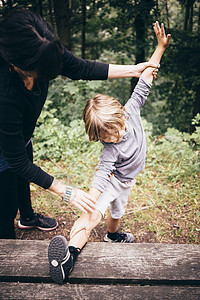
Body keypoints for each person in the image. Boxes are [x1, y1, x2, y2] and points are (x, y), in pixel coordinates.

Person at [0, 9, 158, 239]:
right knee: (5, 208)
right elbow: (15, 160)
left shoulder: (44, 50)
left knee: (23, 179)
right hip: (3, 148)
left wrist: (134, 70)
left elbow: (81, 68)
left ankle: (27, 217)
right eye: (37, 74)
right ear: (15, 63)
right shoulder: (5, 94)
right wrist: (65, 191)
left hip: (22, 136)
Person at [48, 21, 171, 284]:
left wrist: (160, 47)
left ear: (119, 114)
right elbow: (103, 173)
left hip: (127, 182)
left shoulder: (132, 108)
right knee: (92, 216)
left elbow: (146, 76)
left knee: (117, 214)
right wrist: (91, 199)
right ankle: (67, 256)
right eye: (103, 136)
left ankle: (113, 235)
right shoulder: (109, 150)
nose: (110, 139)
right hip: (113, 181)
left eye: (111, 131)